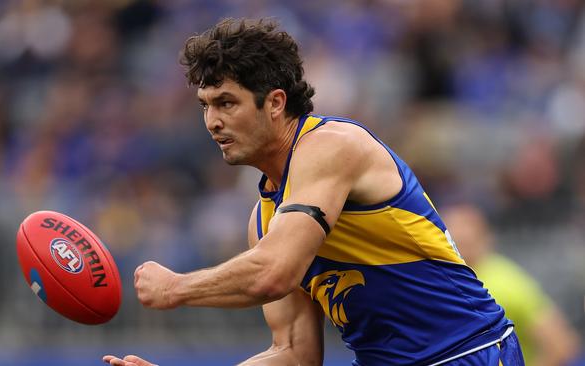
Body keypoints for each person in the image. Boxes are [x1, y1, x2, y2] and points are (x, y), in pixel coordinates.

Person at [103, 18, 524, 366]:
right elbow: (294, 354)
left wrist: (177, 289)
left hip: (467, 352)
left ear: (275, 103)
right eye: (205, 105)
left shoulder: (330, 147)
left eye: (227, 103)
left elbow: (273, 272)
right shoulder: (264, 220)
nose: (212, 121)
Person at [442, 203, 582, 366]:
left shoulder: (506, 281)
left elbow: (561, 345)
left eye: (466, 239)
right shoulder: (441, 280)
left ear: (486, 239)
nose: (460, 238)